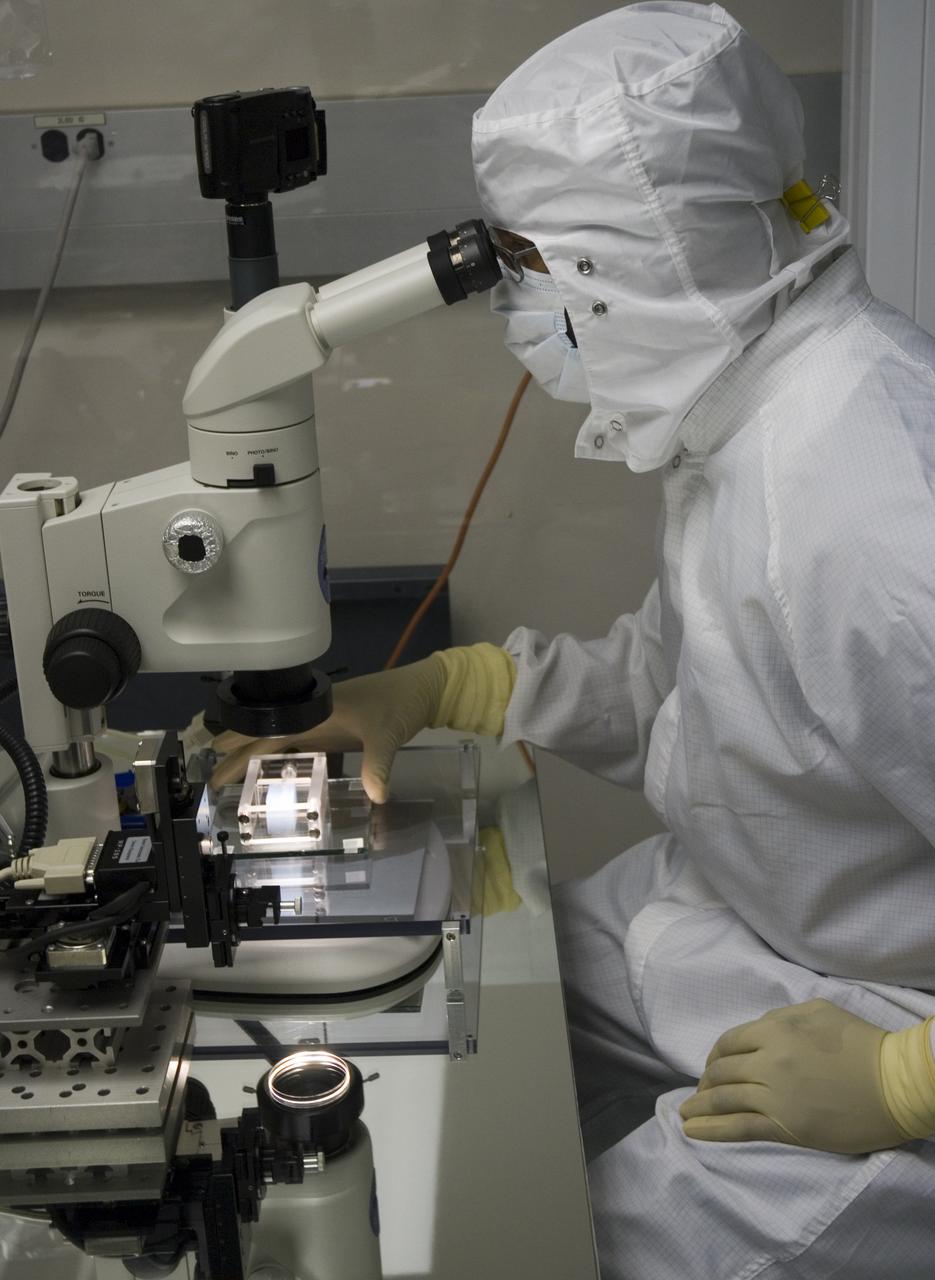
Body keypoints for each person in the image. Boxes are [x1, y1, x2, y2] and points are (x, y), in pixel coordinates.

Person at [213, 3, 935, 1275]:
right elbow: (694, 681)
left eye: (525, 262)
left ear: (632, 258)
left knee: (528, 1233)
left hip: (878, 1027)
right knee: (459, 993)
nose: (514, 303)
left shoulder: (879, 510)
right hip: (741, 923)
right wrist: (448, 685)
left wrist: (899, 1081)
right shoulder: (753, 411)